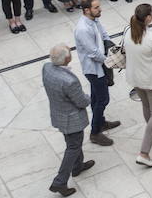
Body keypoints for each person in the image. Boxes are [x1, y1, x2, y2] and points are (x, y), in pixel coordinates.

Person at [43, 44, 94, 197]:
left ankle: (78, 166)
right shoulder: (68, 81)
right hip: (72, 120)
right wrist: (89, 98)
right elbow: (81, 101)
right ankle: (60, 182)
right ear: (67, 59)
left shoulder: (46, 68)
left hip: (59, 114)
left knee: (73, 143)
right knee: (73, 147)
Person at [123, 3, 152, 168]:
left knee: (147, 107)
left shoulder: (128, 31)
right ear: (148, 18)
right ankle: (144, 152)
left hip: (135, 78)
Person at [73, 0, 120, 146]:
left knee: (95, 97)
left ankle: (101, 122)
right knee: (102, 99)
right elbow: (93, 52)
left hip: (100, 65)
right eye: (96, 7)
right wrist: (110, 60)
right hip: (93, 69)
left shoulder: (94, 20)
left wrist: (113, 49)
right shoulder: (82, 29)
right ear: (86, 10)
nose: (100, 9)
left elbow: (104, 35)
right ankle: (95, 133)